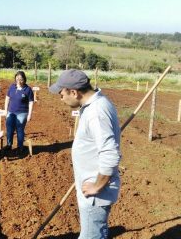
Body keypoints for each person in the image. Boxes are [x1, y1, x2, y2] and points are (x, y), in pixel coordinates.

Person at [49, 69, 122, 239]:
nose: (61, 98)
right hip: (92, 187)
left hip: (95, 195)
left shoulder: (96, 112)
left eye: (61, 93)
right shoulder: (96, 104)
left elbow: (110, 154)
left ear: (74, 92)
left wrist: (97, 185)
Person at [3, 71, 34, 154]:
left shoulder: (28, 89)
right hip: (11, 112)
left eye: (21, 79)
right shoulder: (12, 87)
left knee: (19, 130)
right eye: (17, 79)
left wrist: (29, 114)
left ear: (24, 79)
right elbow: (7, 98)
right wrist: (5, 110)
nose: (19, 81)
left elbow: (31, 102)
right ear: (15, 79)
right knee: (9, 129)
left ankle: (20, 147)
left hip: (22, 113)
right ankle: (9, 145)